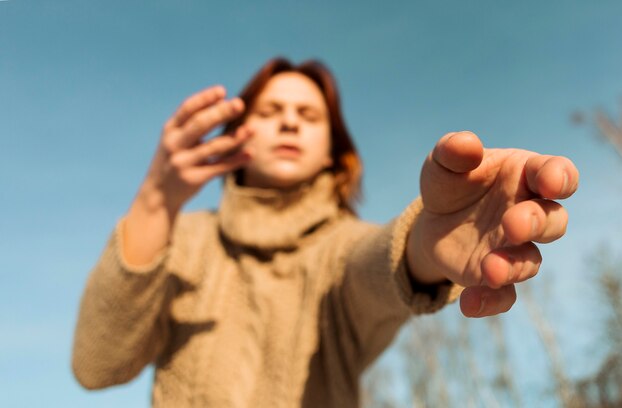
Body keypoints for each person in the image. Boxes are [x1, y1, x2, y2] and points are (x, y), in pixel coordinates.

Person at [72, 57, 579, 407]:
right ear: (238, 134)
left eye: (308, 115)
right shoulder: (183, 242)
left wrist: (426, 242)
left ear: (332, 151)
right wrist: (155, 204)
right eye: (270, 111)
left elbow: (372, 267)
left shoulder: (338, 246)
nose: (289, 122)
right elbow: (98, 367)